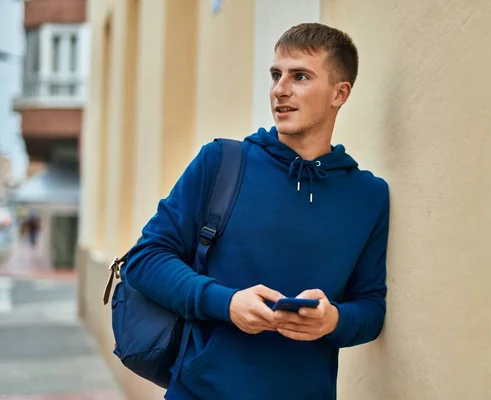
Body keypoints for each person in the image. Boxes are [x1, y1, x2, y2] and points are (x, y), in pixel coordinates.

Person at [124, 22, 390, 400]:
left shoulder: (368, 196)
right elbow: (145, 259)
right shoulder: (223, 162)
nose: (280, 89)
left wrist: (334, 320)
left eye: (300, 76)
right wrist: (226, 303)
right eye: (276, 75)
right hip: (201, 392)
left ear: (339, 93)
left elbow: (371, 308)